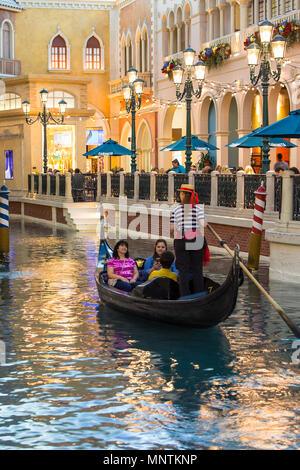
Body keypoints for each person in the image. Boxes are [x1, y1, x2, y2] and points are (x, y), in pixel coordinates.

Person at [170, 184, 206, 297]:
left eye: (180, 193)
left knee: (183, 271)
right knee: (197, 270)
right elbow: (203, 224)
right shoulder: (198, 208)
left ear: (182, 194)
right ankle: (199, 295)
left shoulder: (175, 209)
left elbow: (171, 228)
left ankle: (185, 296)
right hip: (196, 239)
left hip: (181, 240)